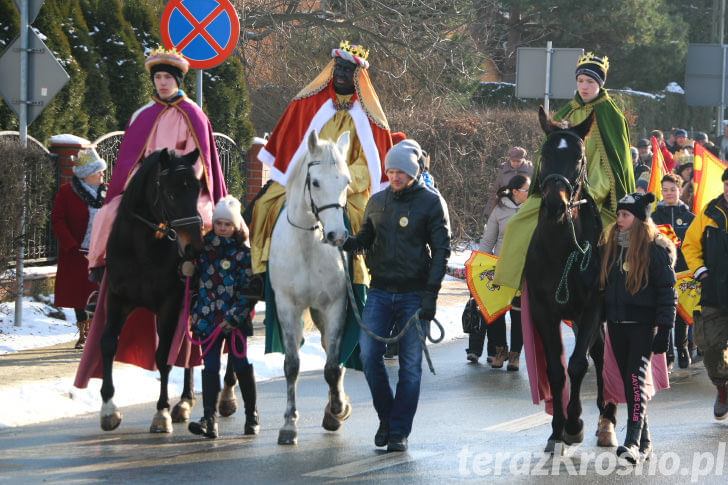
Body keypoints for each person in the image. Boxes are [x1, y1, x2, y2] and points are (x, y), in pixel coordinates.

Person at [249, 40, 392, 297]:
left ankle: (359, 282)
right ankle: (260, 273)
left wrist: (338, 185)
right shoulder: (313, 103)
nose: (340, 74)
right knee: (264, 205)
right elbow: (297, 148)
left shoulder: (366, 116)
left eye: (348, 70)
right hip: (305, 181)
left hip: (347, 188)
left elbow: (367, 164)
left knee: (360, 222)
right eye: (338, 67)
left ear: (358, 76)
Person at [343, 139, 451, 452]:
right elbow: (365, 238)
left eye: (400, 171)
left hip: (414, 294)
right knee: (368, 356)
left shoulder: (431, 203)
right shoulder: (376, 202)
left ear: (413, 172)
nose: (394, 176)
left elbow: (442, 250)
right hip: (379, 290)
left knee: (411, 366)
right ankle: (387, 418)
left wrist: (431, 295)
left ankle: (399, 431)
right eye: (390, 171)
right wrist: (346, 242)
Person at [495, 53, 635, 289]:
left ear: (599, 84)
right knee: (518, 223)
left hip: (595, 191)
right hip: (557, 188)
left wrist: (591, 191)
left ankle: (610, 288)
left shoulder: (612, 116)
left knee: (610, 235)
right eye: (580, 81)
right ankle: (517, 286)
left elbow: (612, 165)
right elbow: (545, 159)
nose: (584, 86)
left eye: (590, 82)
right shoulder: (563, 115)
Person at [87, 46, 226, 278]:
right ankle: (102, 268)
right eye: (158, 77)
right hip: (148, 186)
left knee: (207, 220)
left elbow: (199, 160)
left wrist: (177, 184)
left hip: (184, 187)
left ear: (177, 80)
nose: (162, 82)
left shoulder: (194, 115)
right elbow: (132, 162)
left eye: (168, 77)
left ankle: (205, 276)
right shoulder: (141, 116)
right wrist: (143, 183)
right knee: (108, 214)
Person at [599, 191, 676, 464]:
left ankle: (631, 443)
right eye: (618, 214)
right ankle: (645, 441)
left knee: (634, 380)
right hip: (617, 325)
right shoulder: (612, 246)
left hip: (643, 327)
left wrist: (665, 331)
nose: (618, 220)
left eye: (624, 215)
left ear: (639, 219)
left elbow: (668, 292)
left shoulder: (656, 249)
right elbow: (604, 286)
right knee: (632, 386)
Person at [186, 196, 258, 439]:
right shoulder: (203, 250)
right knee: (211, 366)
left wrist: (235, 317)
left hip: (234, 321)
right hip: (208, 317)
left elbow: (248, 291)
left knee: (240, 364)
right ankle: (209, 418)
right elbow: (193, 280)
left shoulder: (243, 254)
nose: (223, 228)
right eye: (219, 223)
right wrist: (185, 269)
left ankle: (251, 414)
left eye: (228, 224)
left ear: (236, 226)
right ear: (213, 224)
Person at [467, 175, 529, 370]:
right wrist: (478, 265)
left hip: (523, 271)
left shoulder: (532, 210)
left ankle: (515, 356)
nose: (530, 192)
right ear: (515, 191)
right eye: (527, 189)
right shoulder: (499, 210)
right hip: (500, 268)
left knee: (518, 314)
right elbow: (488, 241)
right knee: (496, 311)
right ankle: (500, 350)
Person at [682, 167, 728, 421]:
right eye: (727, 184)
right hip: (713, 291)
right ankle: (722, 387)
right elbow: (689, 243)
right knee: (709, 347)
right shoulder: (708, 213)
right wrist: (701, 272)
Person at [51, 147, 106, 349]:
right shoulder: (67, 192)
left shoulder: (107, 191)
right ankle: (84, 334)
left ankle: (95, 332)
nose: (102, 174)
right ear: (87, 175)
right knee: (78, 294)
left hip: (102, 253)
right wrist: (71, 246)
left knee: (100, 292)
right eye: (98, 171)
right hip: (76, 253)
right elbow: (58, 220)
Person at [652, 173, 695, 369]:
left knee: (683, 313)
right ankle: (668, 352)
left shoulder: (689, 217)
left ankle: (682, 347)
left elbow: (696, 244)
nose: (669, 193)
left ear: (680, 190)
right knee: (664, 313)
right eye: (665, 190)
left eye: (673, 189)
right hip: (661, 273)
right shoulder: (652, 218)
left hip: (684, 272)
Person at [483, 146, 533, 219]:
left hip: (525, 210)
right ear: (509, 159)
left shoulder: (531, 170)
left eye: (518, 161)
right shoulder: (503, 170)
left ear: (523, 159)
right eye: (513, 161)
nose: (515, 163)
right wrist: (488, 211)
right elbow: (495, 192)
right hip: (506, 209)